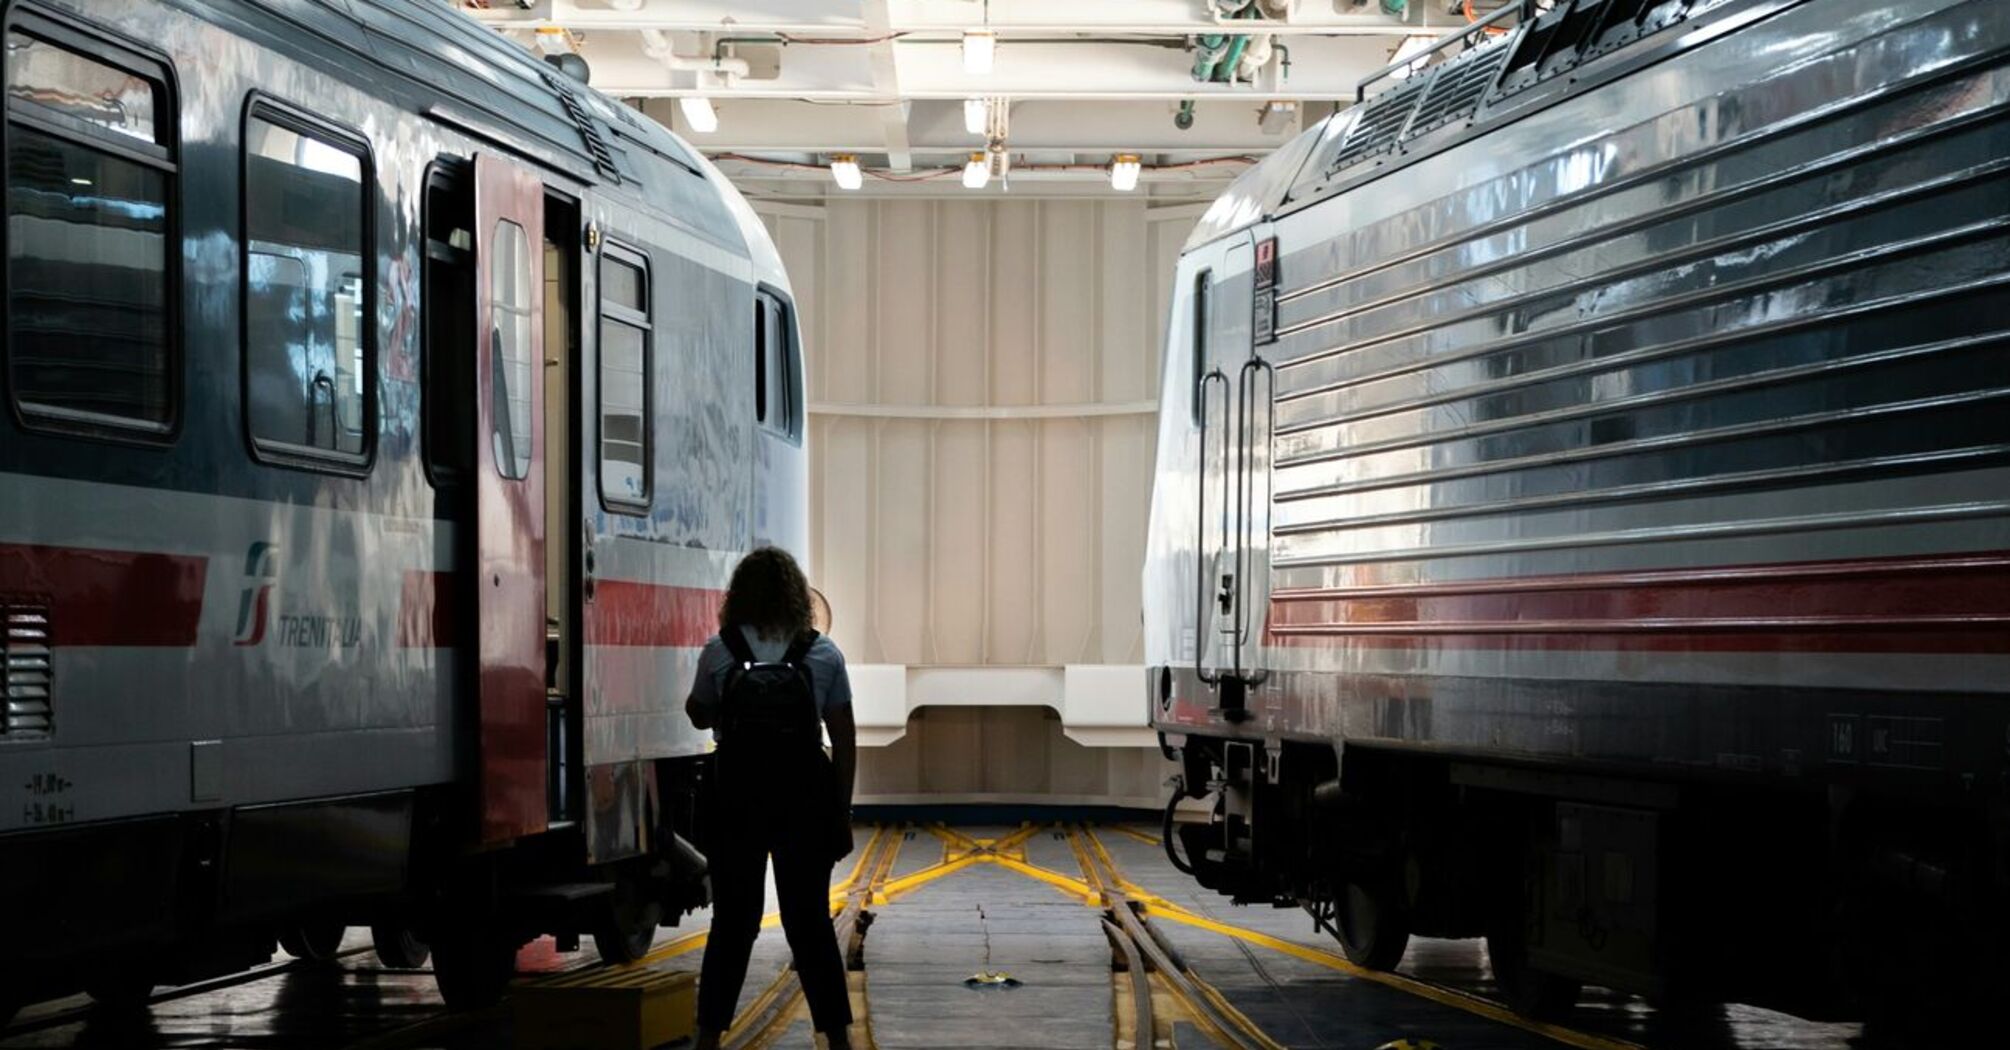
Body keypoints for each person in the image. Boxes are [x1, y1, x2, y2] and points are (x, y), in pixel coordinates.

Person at [686, 547, 857, 1050]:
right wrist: (840, 814)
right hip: (804, 800)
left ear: (738, 597)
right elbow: (844, 739)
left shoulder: (721, 650)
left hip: (737, 800)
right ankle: (838, 1039)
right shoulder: (822, 654)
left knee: (733, 924)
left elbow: (697, 714)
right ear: (796, 598)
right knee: (809, 925)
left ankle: (707, 1037)